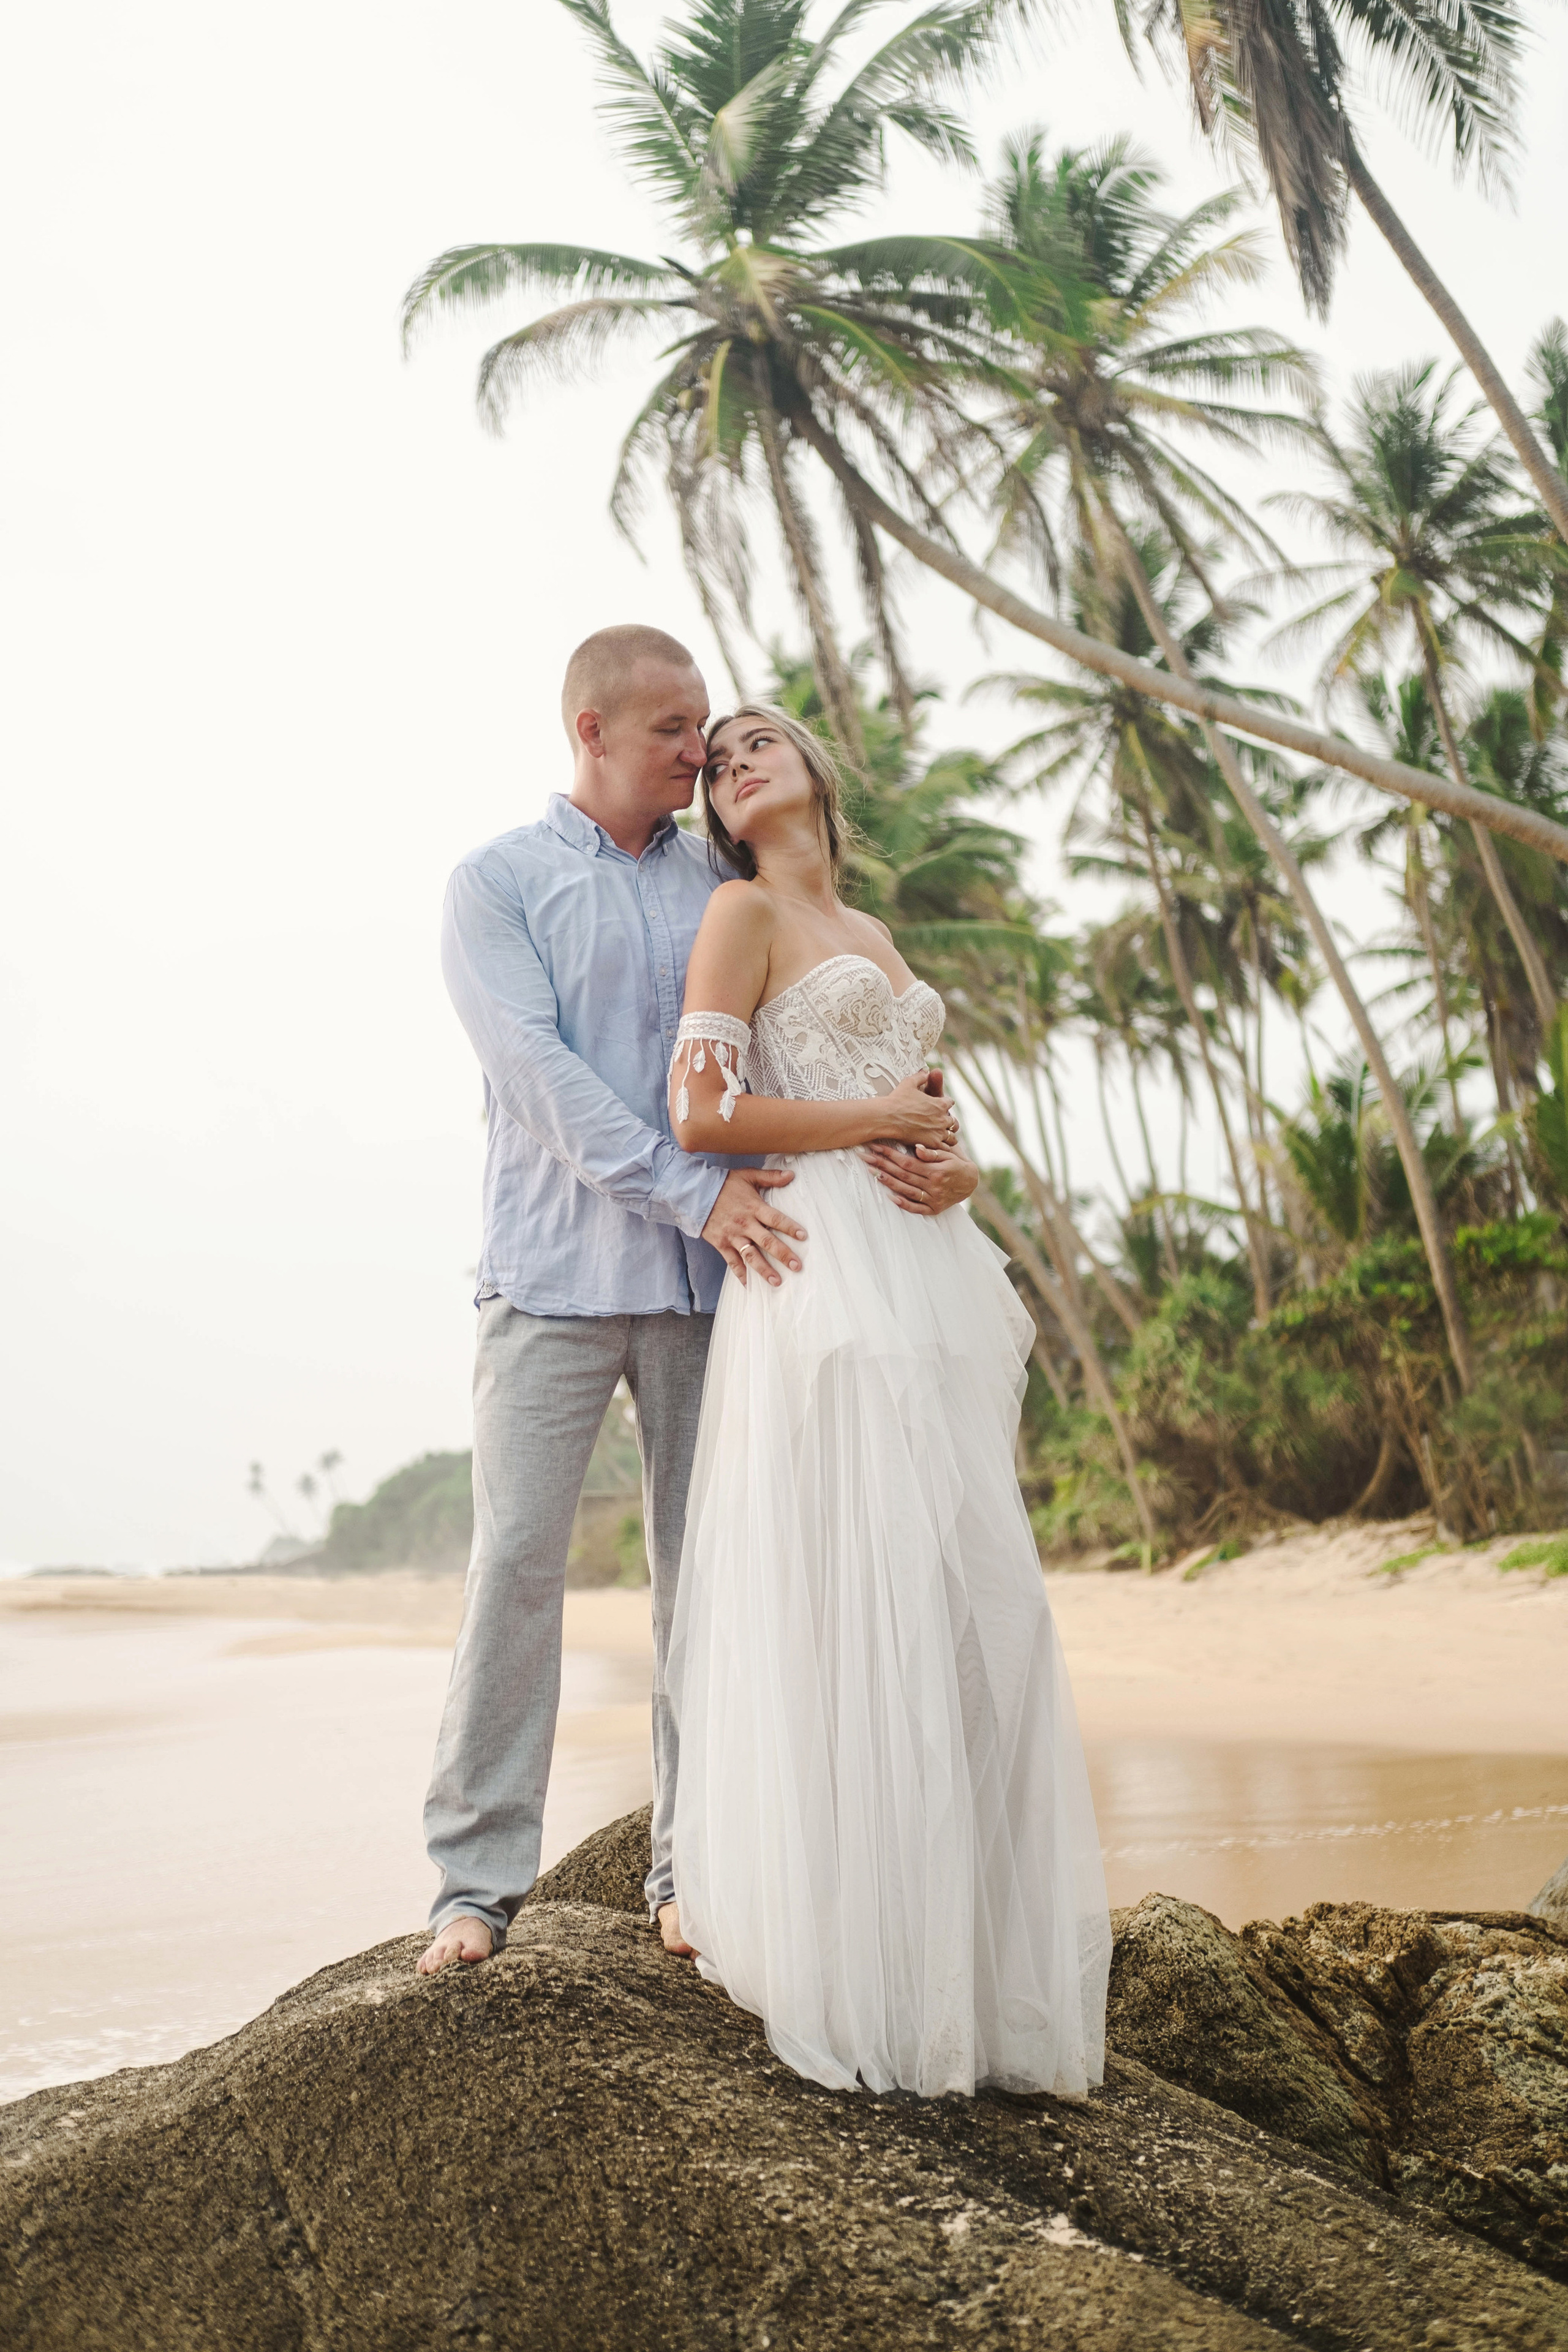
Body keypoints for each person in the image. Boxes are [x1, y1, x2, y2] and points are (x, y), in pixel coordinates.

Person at [418, 630, 980, 1975]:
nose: (700, 749)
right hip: (556, 1277)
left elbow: (829, 1042)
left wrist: (943, 1153)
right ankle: (474, 1885)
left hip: (721, 1284)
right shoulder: (494, 886)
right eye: (675, 729)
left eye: (711, 730)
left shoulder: (720, 881)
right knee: (514, 1569)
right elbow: (540, 1079)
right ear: (592, 733)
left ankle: (686, 1871)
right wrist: (690, 1190)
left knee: (709, 1585)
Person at [662, 703, 1111, 2097]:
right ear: (719, 811)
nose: (739, 763)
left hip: (926, 1265)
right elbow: (698, 1111)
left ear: (812, 769)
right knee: (859, 1607)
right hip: (826, 1274)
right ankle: (865, 1985)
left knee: (975, 1610)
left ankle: (967, 1991)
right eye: (717, 760)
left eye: (760, 742)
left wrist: (959, 1173)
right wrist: (874, 1130)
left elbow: (934, 1116)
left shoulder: (875, 936)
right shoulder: (738, 915)